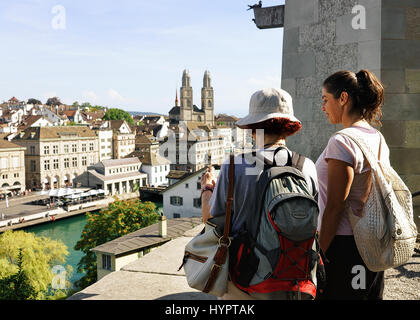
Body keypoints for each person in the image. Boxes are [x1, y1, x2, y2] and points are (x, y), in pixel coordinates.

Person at [200, 88, 319, 299]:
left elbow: (210, 220)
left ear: (253, 128)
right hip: (295, 280)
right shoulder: (306, 166)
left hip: (245, 278)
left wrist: (208, 189)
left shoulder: (235, 164)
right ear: (288, 127)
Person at [316, 69, 387, 300]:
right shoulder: (376, 137)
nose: (323, 106)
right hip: (372, 244)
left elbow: (336, 205)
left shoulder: (342, 141)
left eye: (326, 99)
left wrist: (319, 254)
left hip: (342, 245)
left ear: (343, 98)